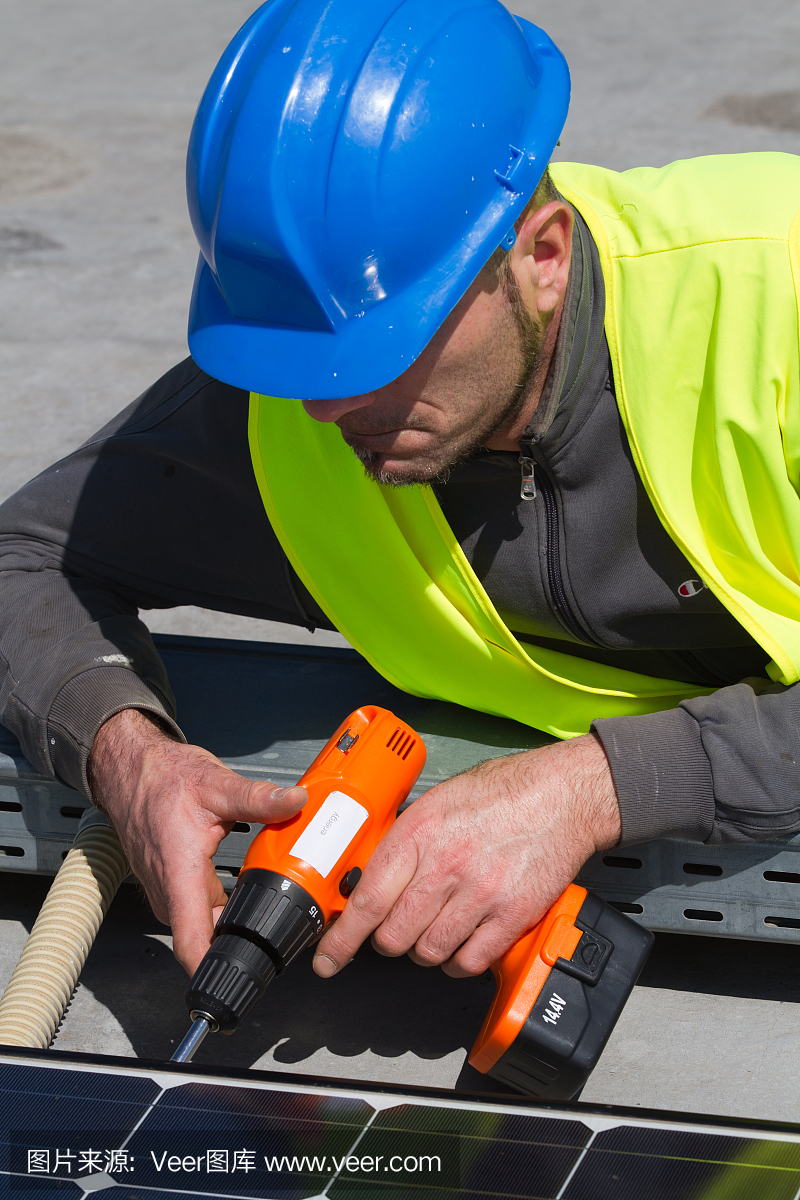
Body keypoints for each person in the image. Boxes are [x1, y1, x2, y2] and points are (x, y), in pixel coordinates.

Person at [1, 0, 800, 986]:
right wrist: (132, 760)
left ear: (539, 257)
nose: (328, 412)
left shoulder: (774, 301)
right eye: (297, 362)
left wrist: (594, 788)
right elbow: (20, 560)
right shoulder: (281, 415)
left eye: (379, 352)